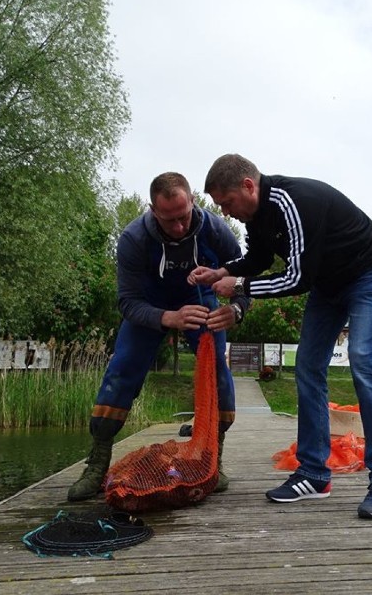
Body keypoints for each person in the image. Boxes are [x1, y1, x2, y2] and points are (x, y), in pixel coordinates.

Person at [188, 153, 372, 519]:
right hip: (328, 283)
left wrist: (239, 284)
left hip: (365, 273)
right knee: (307, 366)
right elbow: (257, 260)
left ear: (248, 186)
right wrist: (220, 271)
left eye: (227, 203)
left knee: (364, 361)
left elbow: (296, 279)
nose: (226, 212)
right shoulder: (257, 216)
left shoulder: (292, 202)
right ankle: (314, 475)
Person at [67, 172, 250, 502]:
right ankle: (96, 465)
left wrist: (236, 309)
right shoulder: (134, 239)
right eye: (169, 220)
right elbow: (127, 301)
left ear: (193, 200)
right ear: (153, 210)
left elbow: (244, 278)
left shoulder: (215, 230)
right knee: (121, 371)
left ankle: (213, 461)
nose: (179, 227)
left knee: (218, 375)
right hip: (149, 306)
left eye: (184, 216)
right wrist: (169, 318)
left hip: (199, 302)